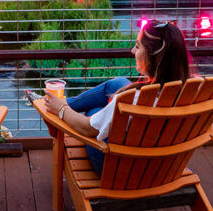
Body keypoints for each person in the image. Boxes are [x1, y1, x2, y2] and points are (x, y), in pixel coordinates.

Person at [42, 20, 192, 172]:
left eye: (138, 46)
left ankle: (57, 107)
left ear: (154, 56)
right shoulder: (196, 91)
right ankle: (67, 103)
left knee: (95, 111)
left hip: (121, 168)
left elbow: (87, 129)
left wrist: (61, 109)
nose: (133, 51)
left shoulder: (133, 100)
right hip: (166, 163)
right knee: (118, 83)